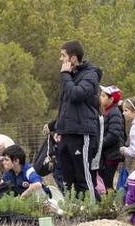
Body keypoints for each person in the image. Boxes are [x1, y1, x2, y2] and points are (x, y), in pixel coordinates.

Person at [51, 41, 103, 197]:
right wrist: (59, 129)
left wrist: (65, 76)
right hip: (67, 132)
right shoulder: (70, 77)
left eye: (63, 56)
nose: (61, 59)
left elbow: (76, 95)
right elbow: (64, 105)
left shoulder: (90, 75)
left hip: (82, 132)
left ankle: (93, 212)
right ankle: (75, 211)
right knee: (68, 179)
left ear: (73, 59)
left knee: (83, 177)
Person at [98, 87, 127, 195]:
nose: (100, 97)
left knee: (107, 183)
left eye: (103, 96)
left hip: (111, 154)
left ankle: (111, 205)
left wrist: (99, 144)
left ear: (111, 99)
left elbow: (114, 134)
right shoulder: (107, 111)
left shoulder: (114, 112)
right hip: (107, 154)